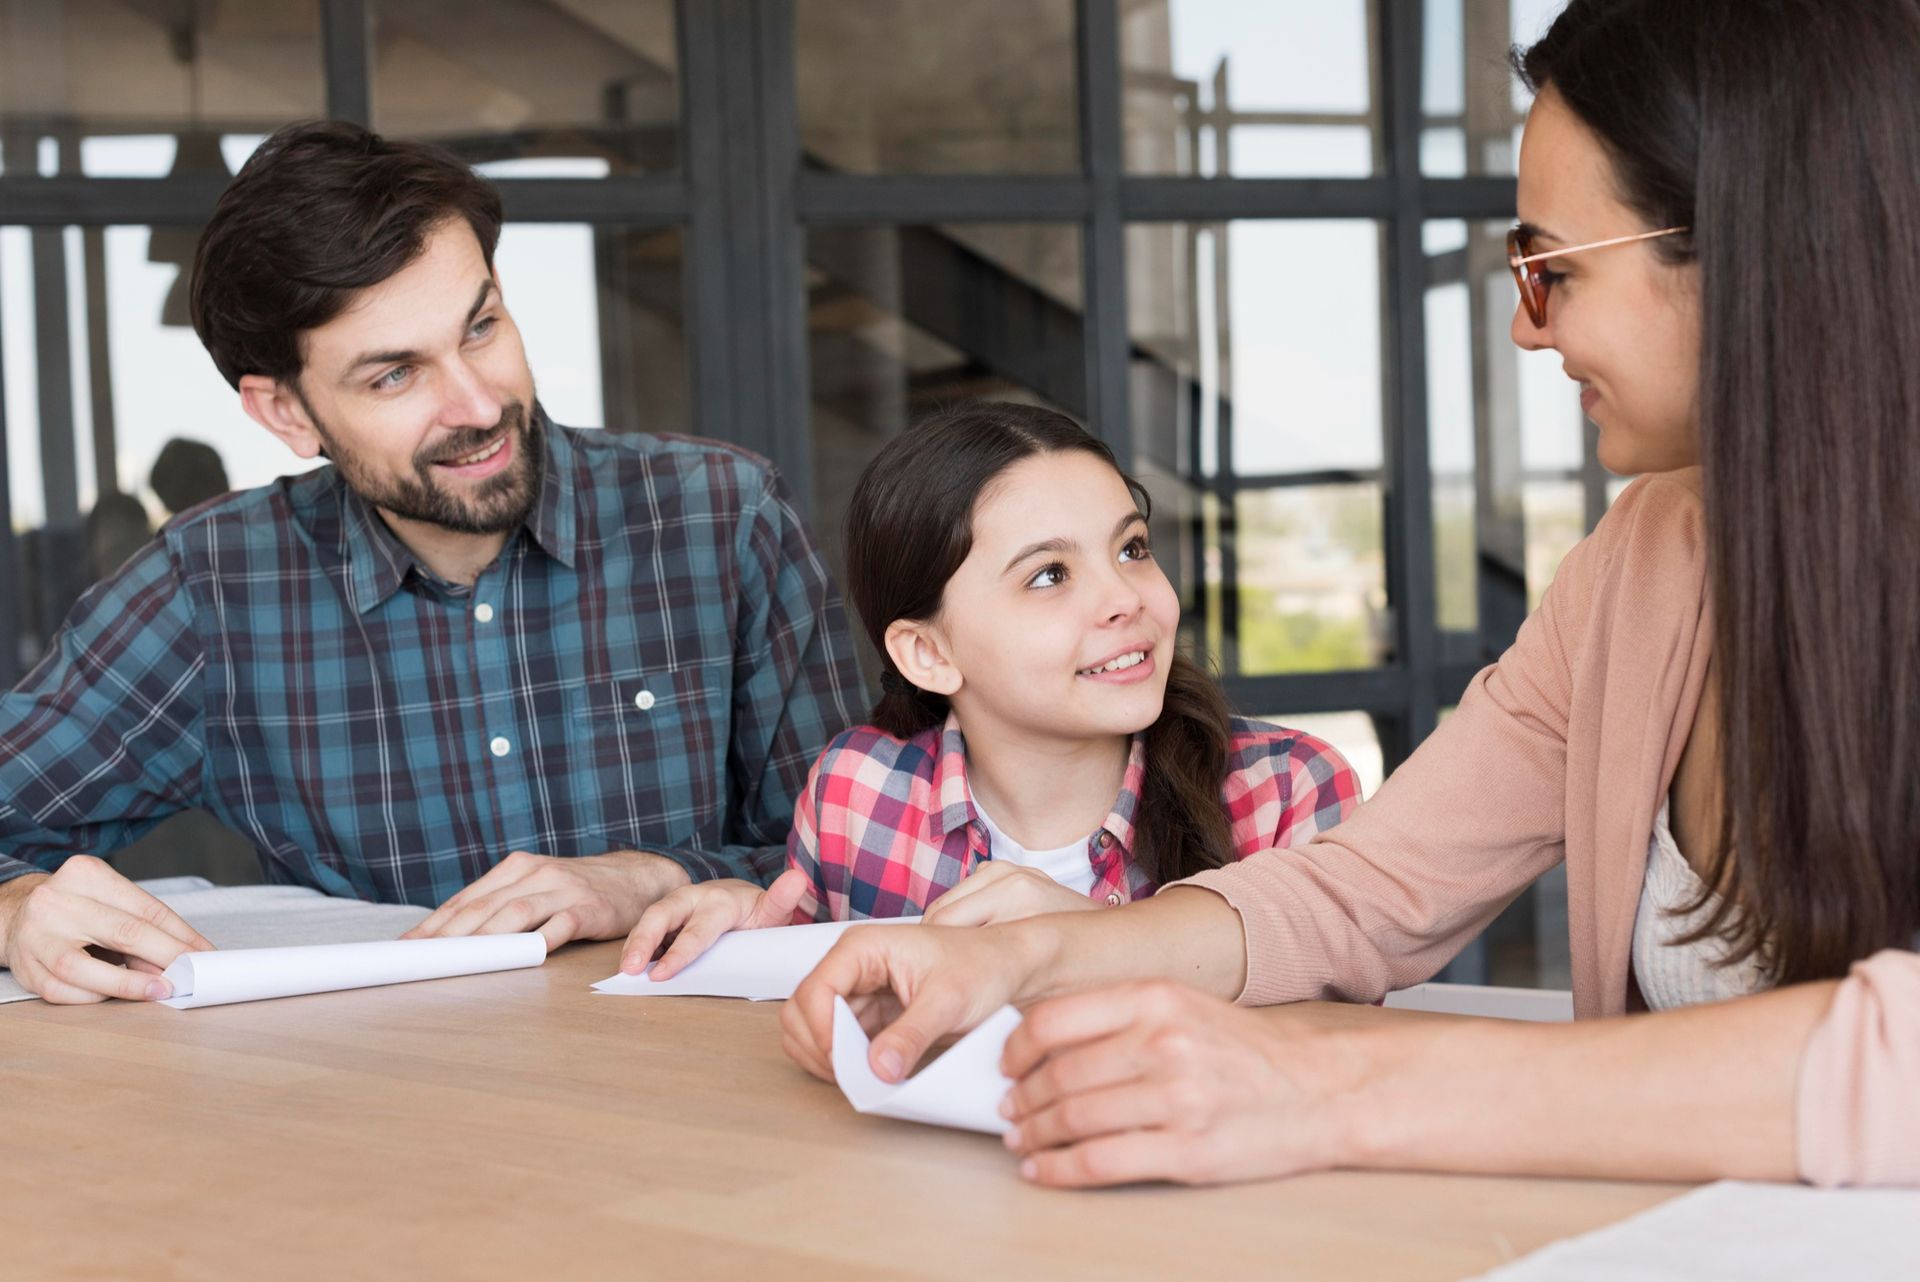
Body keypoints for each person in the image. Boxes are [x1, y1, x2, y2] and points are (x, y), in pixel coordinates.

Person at [779, 0, 1920, 1190]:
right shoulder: (1641, 565)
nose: (1528, 330)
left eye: (1551, 268)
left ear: (1751, 250)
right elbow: (1368, 887)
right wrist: (1037, 959)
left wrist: (1327, 1091)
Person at [0, 121, 862, 1004]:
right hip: (386, 1113)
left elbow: (861, 860)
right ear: (288, 416)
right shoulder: (213, 589)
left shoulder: (721, 516)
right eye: (395, 376)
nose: (479, 403)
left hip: (700, 1094)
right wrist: (18, 906)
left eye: (481, 326)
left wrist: (655, 876)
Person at [617, 403, 1360, 978]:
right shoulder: (857, 792)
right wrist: (746, 933)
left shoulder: (1287, 791)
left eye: (1131, 549)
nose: (1125, 598)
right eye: (1050, 575)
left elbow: (1340, 1040)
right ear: (928, 653)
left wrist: (1088, 947)